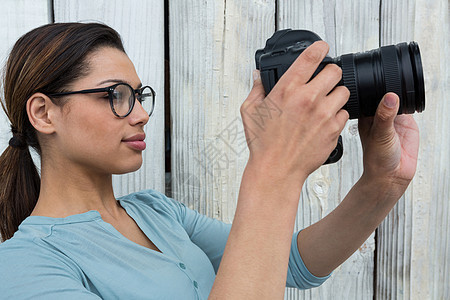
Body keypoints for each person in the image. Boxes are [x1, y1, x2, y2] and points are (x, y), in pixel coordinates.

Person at [0, 22, 419, 299]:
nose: (142, 113)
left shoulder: (157, 212)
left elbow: (291, 261)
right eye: (116, 95)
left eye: (139, 95)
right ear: (43, 113)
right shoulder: (25, 267)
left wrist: (383, 183)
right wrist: (274, 169)